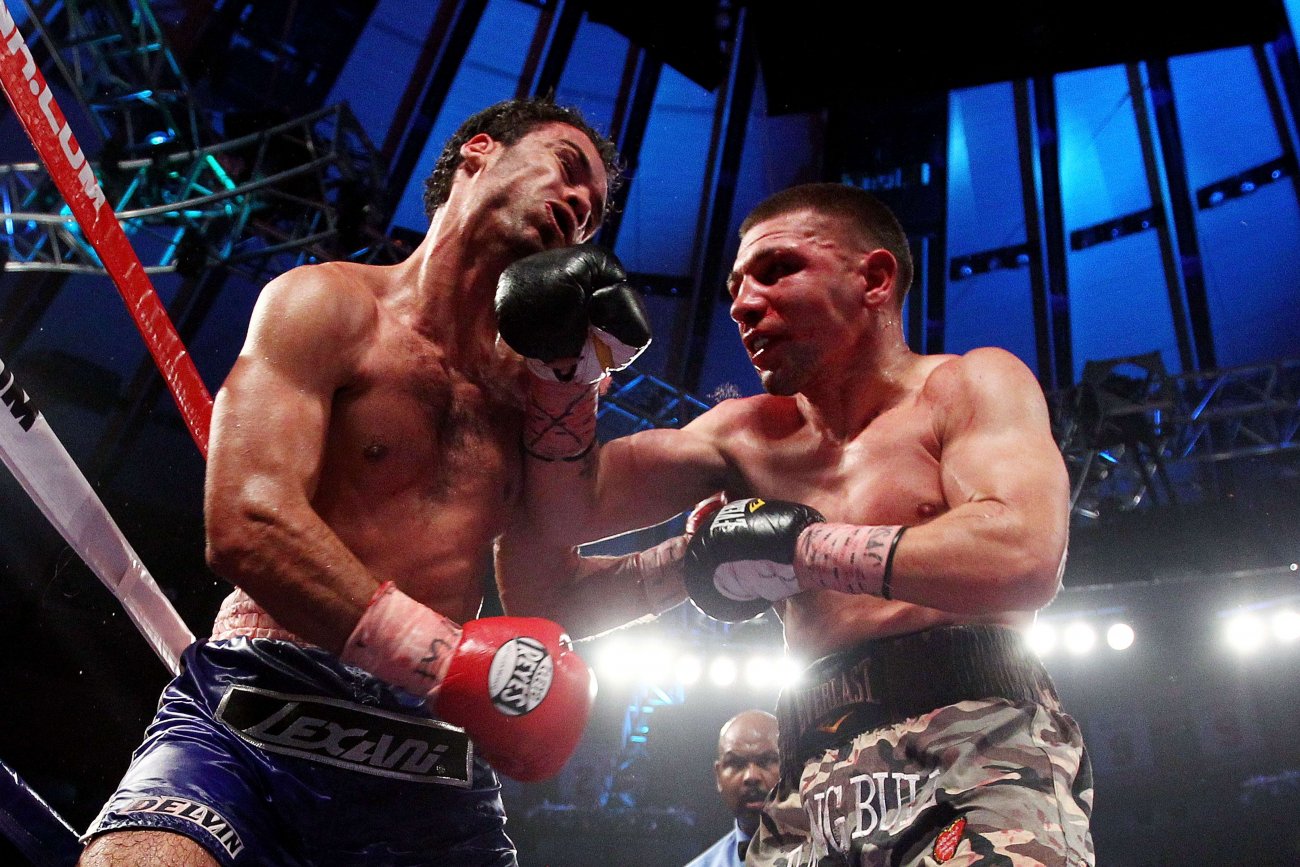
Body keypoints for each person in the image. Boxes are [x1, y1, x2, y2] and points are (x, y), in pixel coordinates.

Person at [77, 97, 682, 867]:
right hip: (261, 701)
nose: (577, 206)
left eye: (592, 214)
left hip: (424, 750)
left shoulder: (539, 395)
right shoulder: (328, 303)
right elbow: (246, 524)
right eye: (566, 170)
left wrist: (693, 566)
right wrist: (444, 656)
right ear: (478, 151)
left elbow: (549, 590)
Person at [498, 182, 1094, 864]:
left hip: (976, 745)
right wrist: (562, 381)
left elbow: (1022, 556)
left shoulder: (968, 386)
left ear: (874, 279)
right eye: (735, 288)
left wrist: (801, 548)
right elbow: (551, 548)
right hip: (811, 772)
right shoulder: (740, 438)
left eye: (777, 269)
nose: (743, 305)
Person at [686, 710, 781, 867]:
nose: (751, 776)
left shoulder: (826, 855)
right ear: (718, 776)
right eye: (736, 763)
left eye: (767, 760)